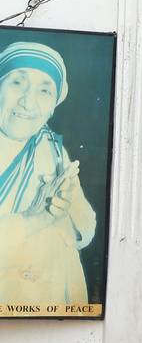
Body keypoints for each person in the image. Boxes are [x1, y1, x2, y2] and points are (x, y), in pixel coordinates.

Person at [0, 39, 96, 311]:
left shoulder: (53, 149)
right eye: (17, 82)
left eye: (44, 90)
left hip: (55, 307)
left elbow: (86, 229)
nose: (28, 101)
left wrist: (67, 206)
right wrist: (34, 219)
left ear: (53, 105)